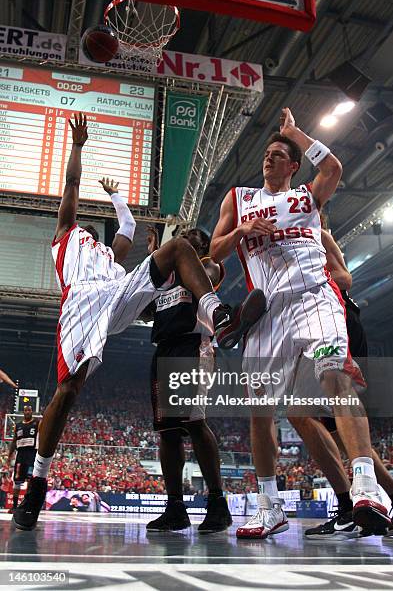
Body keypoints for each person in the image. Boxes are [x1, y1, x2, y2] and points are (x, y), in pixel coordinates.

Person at [13, 113, 266, 531]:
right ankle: (37, 483)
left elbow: (128, 225)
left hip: (117, 296)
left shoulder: (110, 254)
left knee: (179, 248)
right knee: (69, 388)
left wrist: (117, 198)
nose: (93, 232)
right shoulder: (66, 235)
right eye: (88, 228)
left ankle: (219, 316)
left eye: (98, 231)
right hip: (81, 303)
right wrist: (78, 147)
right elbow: (72, 186)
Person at [210, 106, 390, 539]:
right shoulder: (239, 198)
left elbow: (333, 166)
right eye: (267, 154)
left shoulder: (307, 198)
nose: (269, 158)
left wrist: (296, 133)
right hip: (268, 310)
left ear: (293, 165)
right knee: (260, 412)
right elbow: (214, 251)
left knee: (334, 375)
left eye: (278, 154)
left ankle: (366, 485)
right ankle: (269, 507)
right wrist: (242, 232)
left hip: (314, 296)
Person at [288, 226, 393, 538]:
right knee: (330, 428)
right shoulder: (277, 246)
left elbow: (344, 278)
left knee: (306, 412)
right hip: (313, 325)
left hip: (337, 317)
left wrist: (304, 280)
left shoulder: (316, 234)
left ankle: (351, 504)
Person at [144, 226, 232, 533]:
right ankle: (175, 507)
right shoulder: (166, 276)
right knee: (167, 432)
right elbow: (144, 311)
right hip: (165, 348)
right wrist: (151, 263)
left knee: (194, 422)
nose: (184, 236)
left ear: (203, 244)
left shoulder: (208, 264)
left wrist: (164, 257)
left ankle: (218, 504)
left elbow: (201, 273)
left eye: (192, 234)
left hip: (192, 345)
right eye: (181, 234)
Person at [7, 405, 39, 513]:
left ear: (32, 411)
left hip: (31, 455)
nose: (27, 412)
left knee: (30, 481)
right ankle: (15, 507)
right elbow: (14, 441)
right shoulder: (18, 425)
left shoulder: (37, 423)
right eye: (25, 410)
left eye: (29, 410)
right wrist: (9, 455)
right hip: (20, 456)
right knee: (17, 481)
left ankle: (27, 505)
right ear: (23, 412)